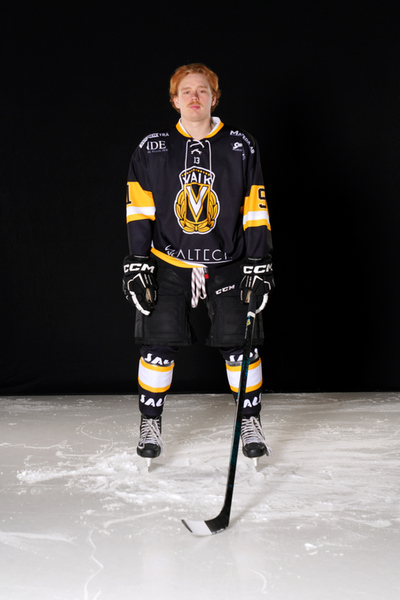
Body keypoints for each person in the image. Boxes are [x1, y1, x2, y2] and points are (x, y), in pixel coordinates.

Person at [123, 63, 274, 465]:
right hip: (168, 262)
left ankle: (250, 422)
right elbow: (140, 210)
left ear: (214, 98)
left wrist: (258, 262)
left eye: (202, 90)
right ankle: (150, 423)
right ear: (174, 100)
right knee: (157, 347)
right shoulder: (152, 147)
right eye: (186, 91)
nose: (194, 97)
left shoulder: (240, 144)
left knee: (240, 346)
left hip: (229, 262)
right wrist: (137, 261)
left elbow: (254, 207)